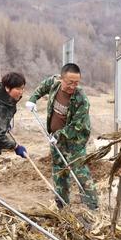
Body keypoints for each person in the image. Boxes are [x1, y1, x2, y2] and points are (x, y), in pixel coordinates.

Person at [25, 63, 99, 210]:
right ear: (61, 79)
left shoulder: (81, 99)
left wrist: (59, 135)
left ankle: (92, 208)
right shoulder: (54, 83)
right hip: (55, 139)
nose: (73, 86)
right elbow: (42, 86)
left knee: (80, 173)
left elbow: (77, 126)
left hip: (74, 142)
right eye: (70, 83)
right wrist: (33, 99)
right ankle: (62, 205)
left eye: (76, 83)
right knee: (59, 171)